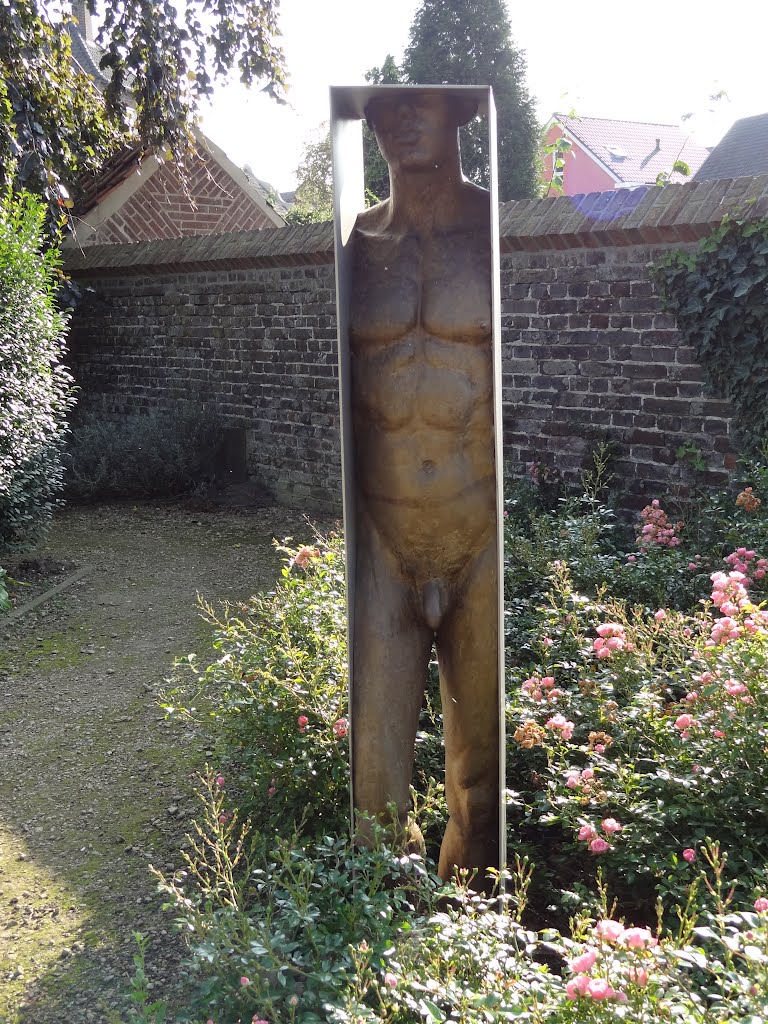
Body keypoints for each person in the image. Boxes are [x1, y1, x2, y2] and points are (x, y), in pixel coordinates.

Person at [348, 89, 501, 883]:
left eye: (422, 105)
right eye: (383, 111)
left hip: (477, 538)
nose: (402, 120)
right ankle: (377, 956)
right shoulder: (357, 243)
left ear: (461, 115)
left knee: (480, 792)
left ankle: (470, 953)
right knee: (374, 796)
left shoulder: (491, 232)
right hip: (385, 540)